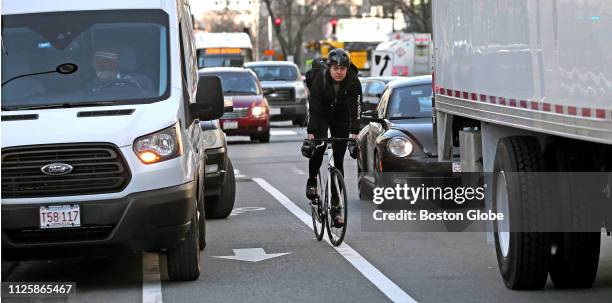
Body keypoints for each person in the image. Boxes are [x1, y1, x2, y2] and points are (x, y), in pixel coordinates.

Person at [302, 48, 362, 226]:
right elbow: (314, 107)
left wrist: (354, 134)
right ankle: (312, 180)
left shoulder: (353, 81)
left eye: (343, 69)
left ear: (347, 68)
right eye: (335, 68)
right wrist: (312, 133)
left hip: (341, 118)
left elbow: (355, 108)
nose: (339, 72)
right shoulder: (320, 79)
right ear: (329, 68)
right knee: (318, 150)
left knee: (338, 160)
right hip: (321, 114)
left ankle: (336, 207)